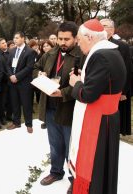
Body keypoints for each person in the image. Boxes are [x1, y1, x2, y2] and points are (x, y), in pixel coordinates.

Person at [68, 19, 126, 194]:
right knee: (104, 165)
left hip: (98, 121)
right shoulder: (112, 52)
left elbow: (87, 94)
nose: (78, 43)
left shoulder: (100, 56)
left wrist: (75, 83)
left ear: (89, 37)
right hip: (107, 117)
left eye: (79, 39)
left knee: (95, 166)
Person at [33, 21, 83, 188]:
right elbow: (35, 67)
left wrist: (63, 92)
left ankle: (74, 179)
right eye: (60, 38)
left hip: (69, 108)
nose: (62, 42)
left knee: (72, 147)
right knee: (55, 144)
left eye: (66, 39)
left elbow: (84, 83)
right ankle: (56, 172)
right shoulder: (51, 52)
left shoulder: (81, 55)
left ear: (75, 39)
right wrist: (38, 73)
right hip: (50, 106)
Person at [100, 18, 132, 136]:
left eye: (104, 25)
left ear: (112, 30)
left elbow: (127, 70)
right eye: (100, 25)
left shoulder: (122, 46)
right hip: (99, 89)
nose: (101, 28)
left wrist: (123, 92)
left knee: (115, 121)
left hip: (116, 90)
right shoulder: (95, 45)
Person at [6, 32, 37, 133]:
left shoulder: (30, 51)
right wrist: (11, 75)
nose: (15, 40)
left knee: (26, 103)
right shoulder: (11, 51)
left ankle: (29, 124)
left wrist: (17, 77)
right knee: (15, 103)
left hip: (24, 82)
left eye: (17, 38)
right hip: (13, 82)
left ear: (23, 39)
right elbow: (8, 65)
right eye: (14, 38)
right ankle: (16, 122)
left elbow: (29, 67)